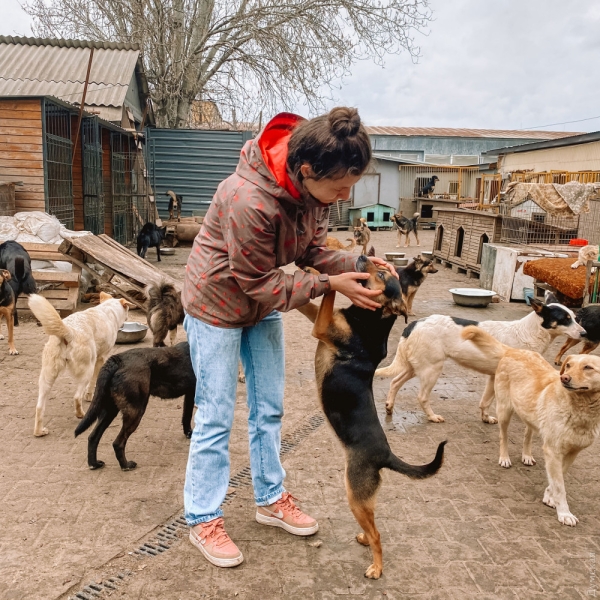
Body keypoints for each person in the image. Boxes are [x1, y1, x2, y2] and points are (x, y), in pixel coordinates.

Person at [182, 107, 397, 568]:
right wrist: (328, 286)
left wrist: (361, 264)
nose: (344, 196)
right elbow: (257, 280)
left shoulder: (314, 198)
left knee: (269, 407)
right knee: (216, 415)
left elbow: (315, 251)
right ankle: (202, 516)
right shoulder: (248, 200)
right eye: (339, 187)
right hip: (216, 304)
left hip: (261, 305)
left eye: (351, 187)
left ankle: (270, 497)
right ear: (305, 171)